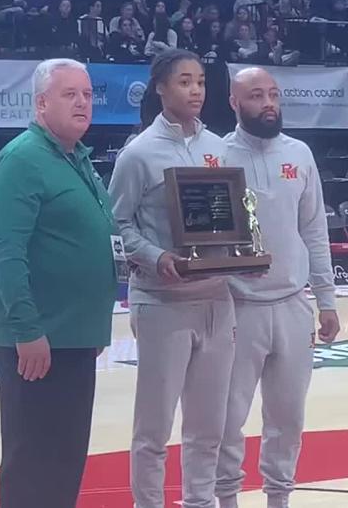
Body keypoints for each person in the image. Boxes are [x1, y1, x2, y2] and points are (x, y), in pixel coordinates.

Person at [0, 58, 120, 508]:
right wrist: (27, 329)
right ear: (41, 104)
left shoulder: (76, 158)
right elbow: (8, 252)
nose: (83, 102)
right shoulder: (23, 159)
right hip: (39, 341)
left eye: (87, 94)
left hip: (76, 337)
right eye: (70, 94)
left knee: (64, 460)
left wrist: (93, 323)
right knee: (33, 463)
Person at [108, 49, 233, 508]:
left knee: (208, 426)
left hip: (218, 298)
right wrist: (157, 255)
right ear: (160, 88)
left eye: (200, 81)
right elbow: (115, 224)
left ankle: (201, 502)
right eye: (184, 81)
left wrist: (245, 252)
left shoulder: (220, 148)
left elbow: (239, 215)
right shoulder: (138, 153)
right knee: (154, 429)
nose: (195, 90)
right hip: (162, 300)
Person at [217, 67, 340, 508]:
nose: (268, 103)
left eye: (273, 94)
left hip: (292, 303)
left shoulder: (301, 154)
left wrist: (326, 299)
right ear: (234, 102)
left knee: (288, 416)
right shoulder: (215, 155)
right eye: (256, 96)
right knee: (228, 418)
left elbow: (315, 230)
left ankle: (279, 498)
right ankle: (226, 498)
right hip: (236, 307)